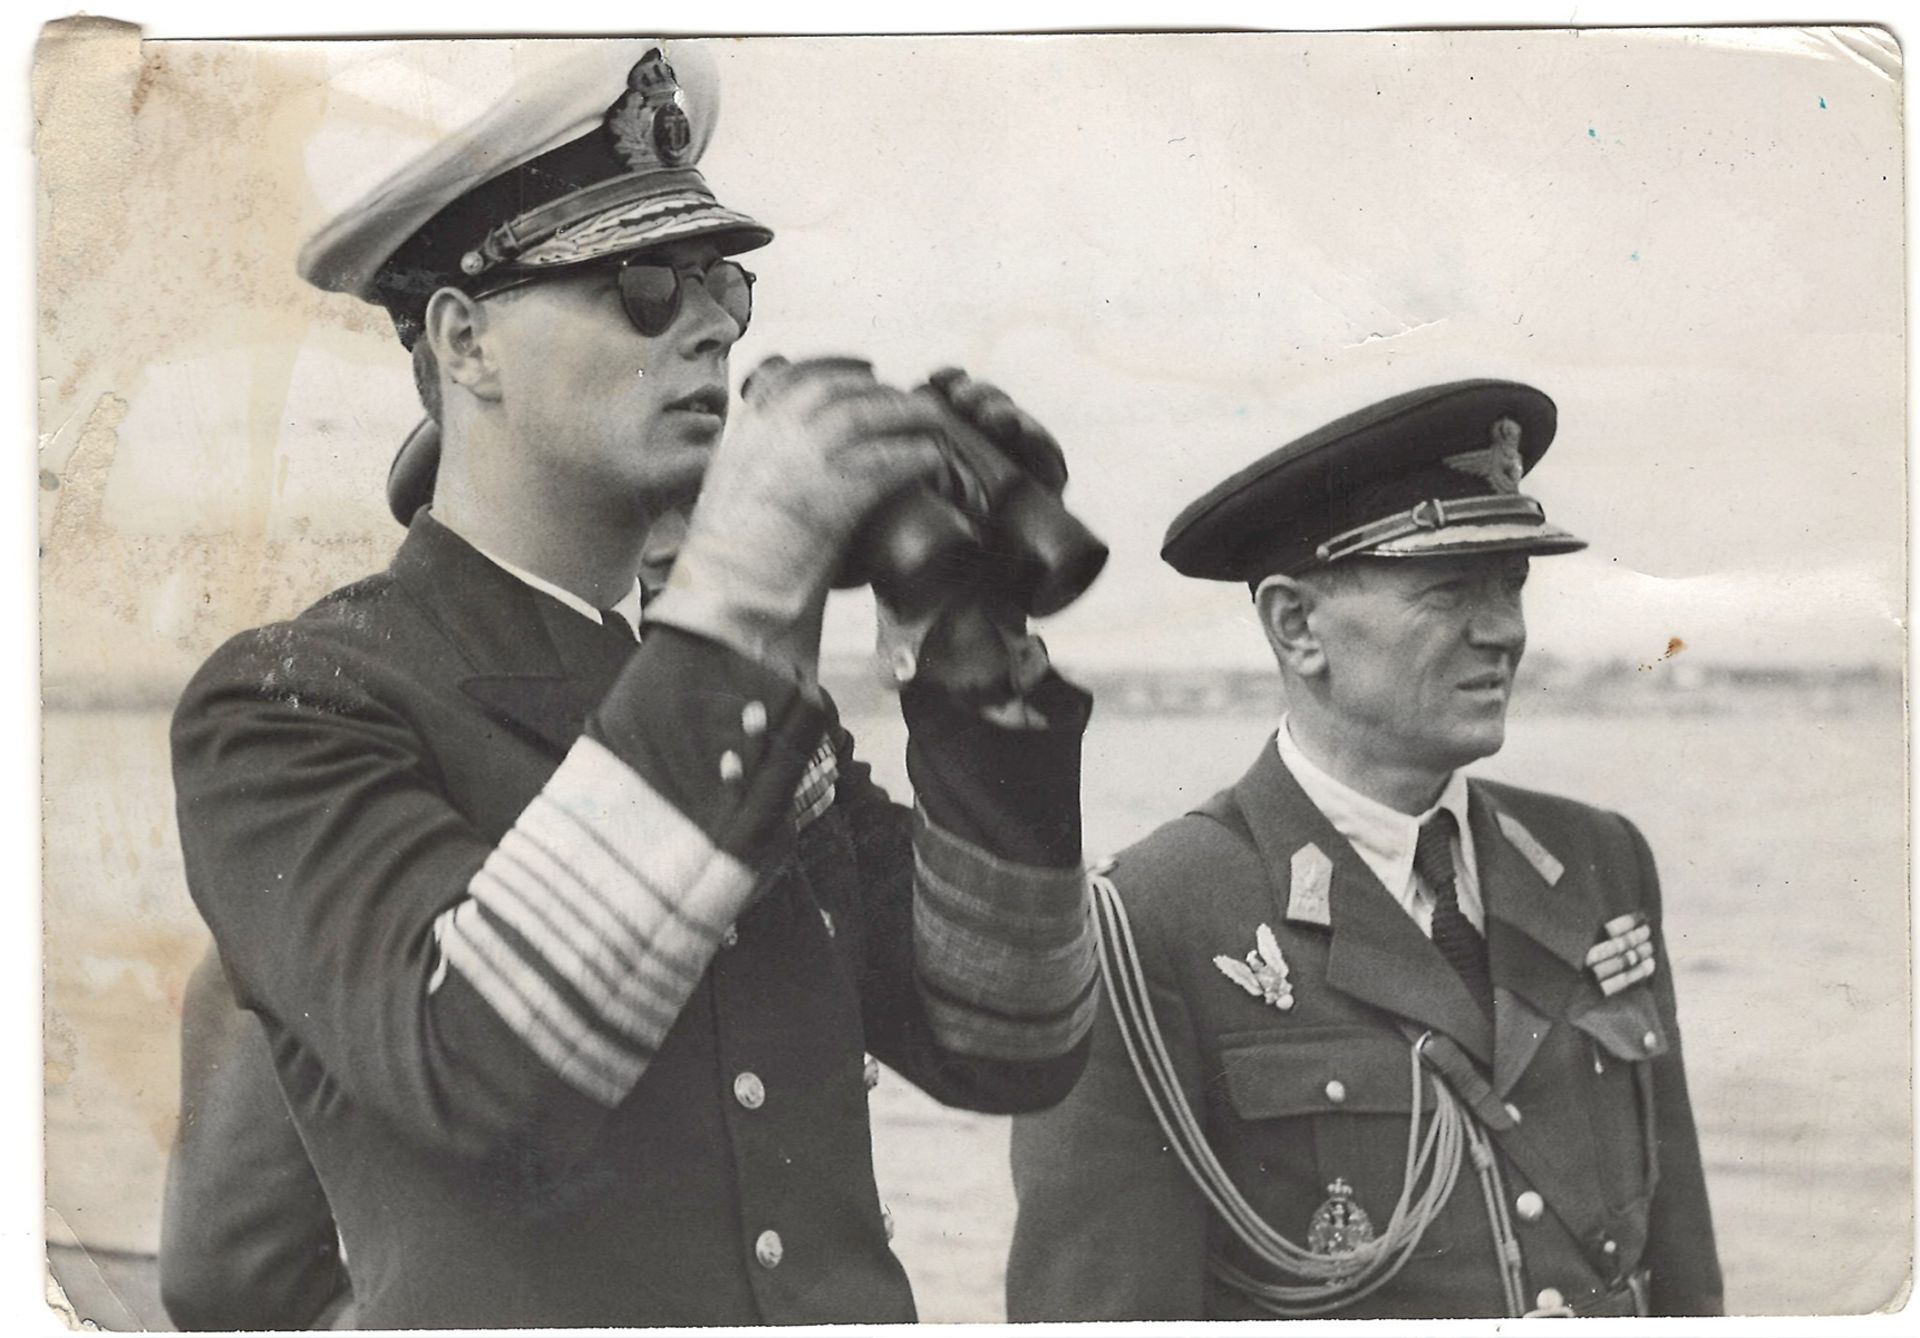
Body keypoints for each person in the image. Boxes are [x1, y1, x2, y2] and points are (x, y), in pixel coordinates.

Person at [170, 40, 1097, 1328]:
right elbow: (479, 1062)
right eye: (645, 284)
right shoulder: (290, 706)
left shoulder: (746, 706)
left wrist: (965, 651)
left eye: (723, 280)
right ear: (466, 340)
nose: (714, 318)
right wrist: (745, 588)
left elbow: (1011, 1040)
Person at [1006, 379, 1722, 1319]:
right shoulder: (1149, 923)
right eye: (1448, 589)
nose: (1504, 630)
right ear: (1297, 626)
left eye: (1510, 584)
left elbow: (1684, 1274)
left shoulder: (1597, 861)